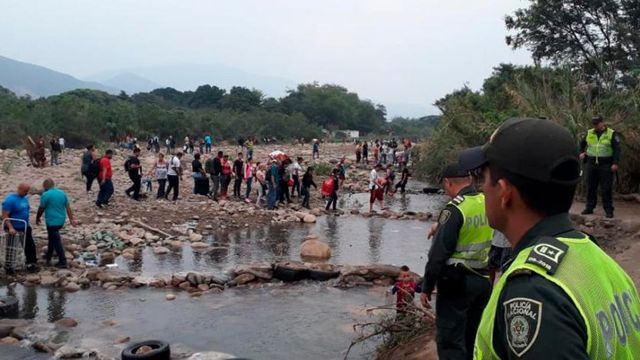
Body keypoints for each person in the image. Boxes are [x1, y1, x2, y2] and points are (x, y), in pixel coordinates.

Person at [458, 118, 640, 359]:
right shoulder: (598, 259)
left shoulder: (533, 292)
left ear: (504, 192)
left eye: (484, 179)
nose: (481, 189)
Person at [419, 163, 494, 360]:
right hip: (483, 280)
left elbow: (438, 255)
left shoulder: (454, 209)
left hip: (457, 283)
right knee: (473, 336)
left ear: (448, 182)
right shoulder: (487, 201)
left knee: (451, 340)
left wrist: (426, 286)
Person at [579, 116, 620, 218]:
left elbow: (617, 149)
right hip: (591, 163)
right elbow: (581, 144)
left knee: (606, 188)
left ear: (602, 123)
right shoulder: (589, 133)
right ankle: (589, 207)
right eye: (594, 124)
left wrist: (615, 163)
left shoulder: (611, 133)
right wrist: (581, 153)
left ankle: (608, 210)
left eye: (597, 124)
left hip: (605, 164)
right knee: (591, 187)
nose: (595, 126)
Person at [36, 179, 76, 269]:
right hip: (61, 220)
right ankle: (49, 255)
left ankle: (63, 261)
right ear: (53, 185)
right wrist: (71, 219)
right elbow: (68, 207)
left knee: (56, 240)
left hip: (51, 221)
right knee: (52, 237)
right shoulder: (62, 193)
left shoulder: (45, 194)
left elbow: (41, 208)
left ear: (45, 186)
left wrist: (37, 217)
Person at [2, 184, 38, 274]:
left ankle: (31, 264)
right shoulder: (10, 200)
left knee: (30, 246)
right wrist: (10, 228)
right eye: (25, 191)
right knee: (11, 247)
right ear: (19, 189)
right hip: (13, 227)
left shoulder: (25, 199)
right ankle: (9, 267)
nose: (26, 193)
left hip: (24, 226)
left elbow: (26, 211)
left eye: (27, 191)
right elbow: (4, 215)